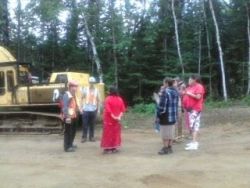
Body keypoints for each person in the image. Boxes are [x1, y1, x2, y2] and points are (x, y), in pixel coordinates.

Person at [182, 75, 205, 150]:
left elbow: (198, 97)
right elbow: (184, 94)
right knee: (191, 126)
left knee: (194, 125)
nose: (188, 81)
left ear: (194, 80)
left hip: (195, 109)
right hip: (189, 109)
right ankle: (193, 142)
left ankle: (194, 143)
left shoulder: (199, 86)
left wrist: (188, 93)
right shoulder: (189, 87)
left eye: (190, 80)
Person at [100, 86, 126, 154]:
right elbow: (122, 109)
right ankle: (114, 148)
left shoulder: (107, 99)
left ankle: (108, 149)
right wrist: (119, 117)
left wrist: (114, 116)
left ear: (110, 91)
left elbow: (108, 110)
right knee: (115, 133)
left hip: (109, 120)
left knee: (108, 134)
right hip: (117, 120)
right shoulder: (120, 99)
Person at [157, 78, 179, 155]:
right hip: (173, 115)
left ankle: (165, 148)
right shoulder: (176, 92)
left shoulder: (165, 92)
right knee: (171, 132)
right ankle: (170, 147)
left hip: (165, 115)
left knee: (165, 132)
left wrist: (158, 115)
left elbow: (162, 106)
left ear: (166, 83)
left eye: (164, 83)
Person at [81, 76, 100, 142]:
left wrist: (98, 110)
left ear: (94, 83)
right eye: (90, 82)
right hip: (85, 109)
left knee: (92, 124)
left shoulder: (97, 90)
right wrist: (81, 107)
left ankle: (91, 137)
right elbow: (82, 98)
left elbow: (98, 100)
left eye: (93, 82)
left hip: (93, 109)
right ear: (89, 82)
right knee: (84, 124)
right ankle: (84, 137)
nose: (92, 83)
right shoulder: (85, 89)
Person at [62, 80, 79, 152]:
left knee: (73, 131)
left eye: (76, 86)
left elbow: (74, 104)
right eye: (74, 86)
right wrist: (67, 117)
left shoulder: (73, 94)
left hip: (74, 116)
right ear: (70, 87)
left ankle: (71, 144)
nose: (75, 88)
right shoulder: (67, 95)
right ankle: (67, 147)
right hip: (68, 116)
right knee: (68, 131)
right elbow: (65, 107)